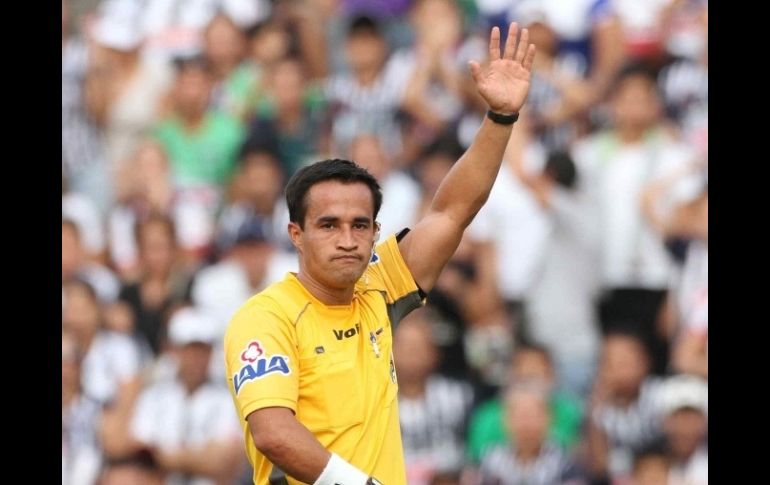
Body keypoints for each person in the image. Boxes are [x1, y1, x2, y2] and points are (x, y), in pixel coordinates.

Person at [224, 23, 536, 485]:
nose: (348, 239)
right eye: (328, 225)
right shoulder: (265, 318)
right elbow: (273, 434)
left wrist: (500, 119)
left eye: (360, 225)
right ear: (296, 234)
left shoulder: (379, 286)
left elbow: (452, 211)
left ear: (375, 233)